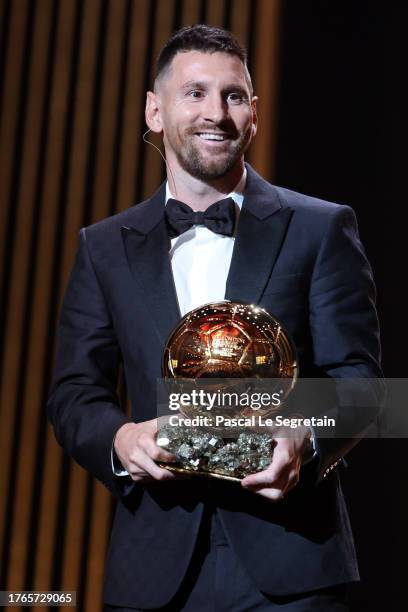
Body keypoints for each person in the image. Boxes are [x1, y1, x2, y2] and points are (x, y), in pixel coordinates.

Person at [48, 25, 383, 611]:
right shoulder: (103, 247)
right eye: (195, 93)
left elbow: (367, 387)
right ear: (155, 111)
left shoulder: (321, 228)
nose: (216, 114)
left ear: (253, 113)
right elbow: (74, 393)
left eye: (233, 96)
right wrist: (121, 438)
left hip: (295, 565)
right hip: (152, 573)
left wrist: (303, 438)